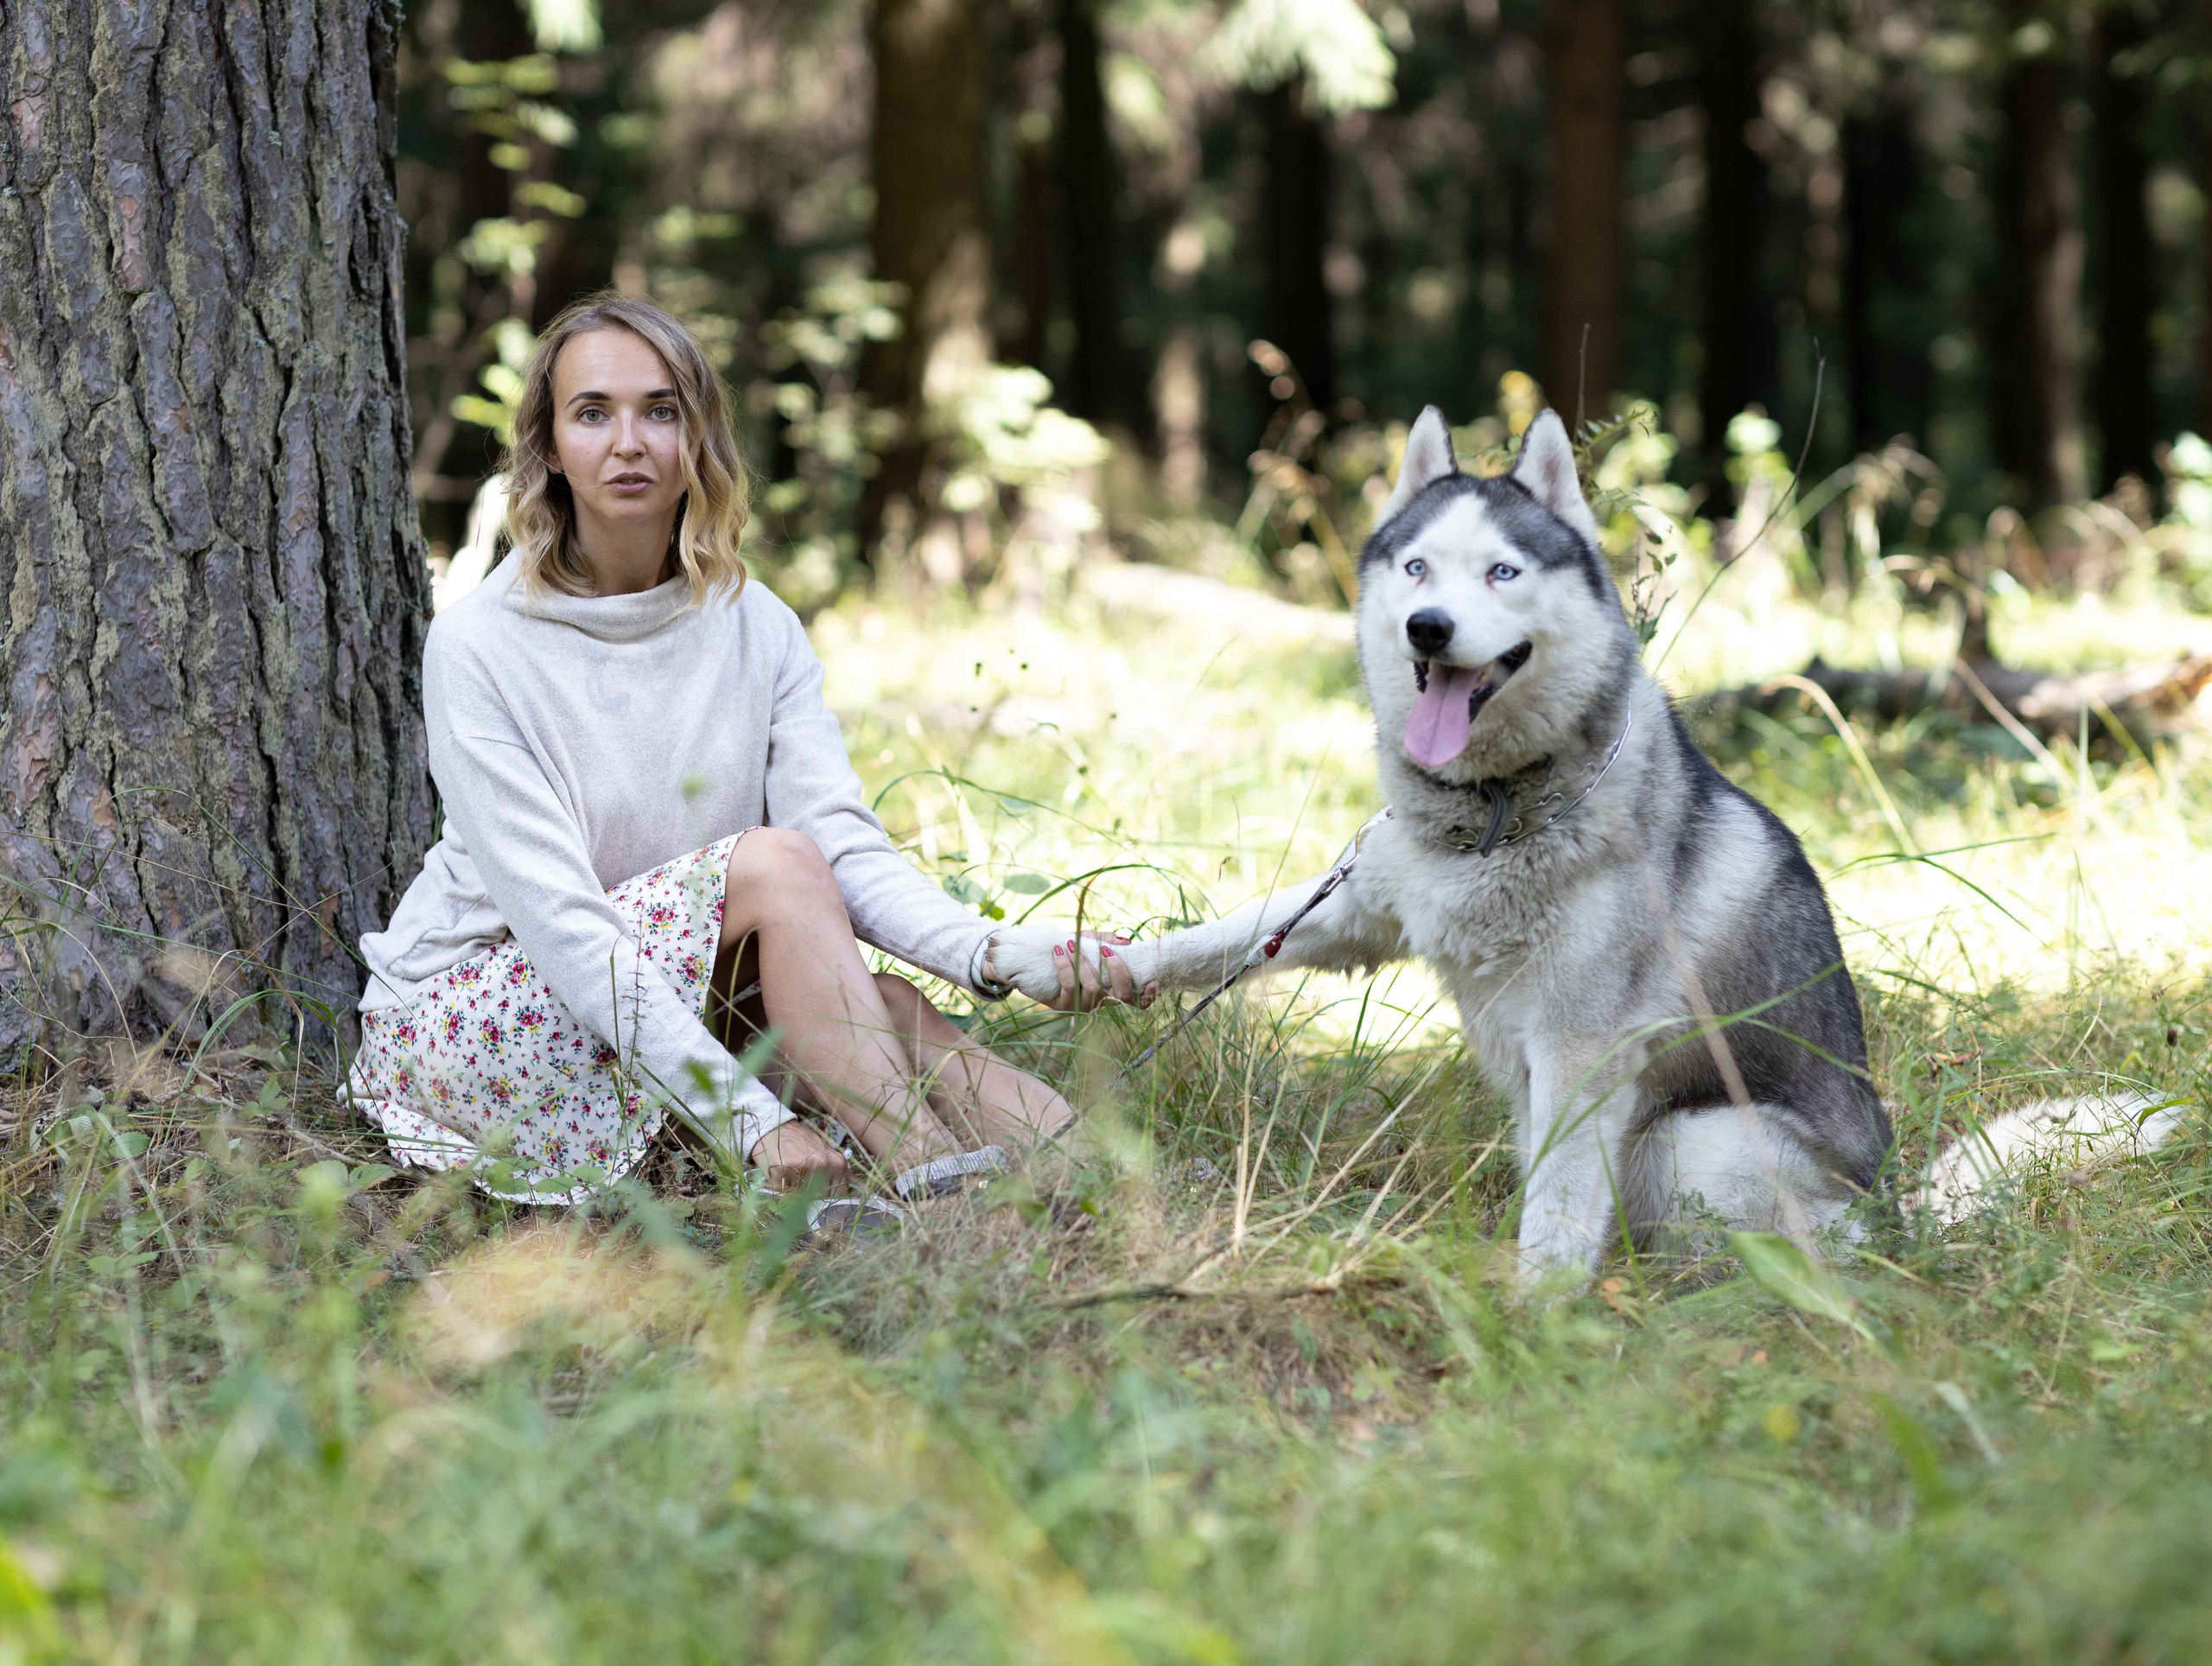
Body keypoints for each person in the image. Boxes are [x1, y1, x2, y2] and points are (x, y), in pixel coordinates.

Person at [350, 294, 1135, 1215]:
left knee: (881, 1005)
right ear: (550, 446)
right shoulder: (481, 642)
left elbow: (843, 848)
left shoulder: (755, 624)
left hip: (657, 990)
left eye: (661, 410)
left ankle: (1116, 1187)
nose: (629, 441)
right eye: (593, 412)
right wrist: (746, 1115)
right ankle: (942, 1197)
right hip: (478, 1020)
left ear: (698, 439)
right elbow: (566, 925)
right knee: (772, 863)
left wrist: (996, 954)